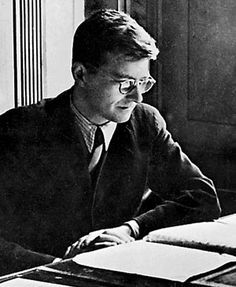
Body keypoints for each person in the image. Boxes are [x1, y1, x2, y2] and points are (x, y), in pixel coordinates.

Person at [0, 9, 221, 275]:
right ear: (81, 74)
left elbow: (202, 197)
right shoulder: (21, 129)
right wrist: (59, 267)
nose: (138, 96)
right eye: (126, 83)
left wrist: (131, 228)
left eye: (144, 82)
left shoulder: (144, 122)